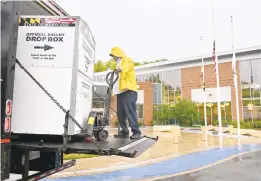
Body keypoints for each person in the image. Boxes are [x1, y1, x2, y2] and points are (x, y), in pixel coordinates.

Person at [109, 46, 142, 139]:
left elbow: (129, 66)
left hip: (129, 90)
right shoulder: (118, 64)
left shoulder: (126, 60)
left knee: (130, 111)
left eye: (114, 55)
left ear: (118, 53)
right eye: (112, 56)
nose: (113, 57)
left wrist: (120, 69)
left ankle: (137, 132)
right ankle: (124, 131)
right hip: (120, 92)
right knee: (121, 113)